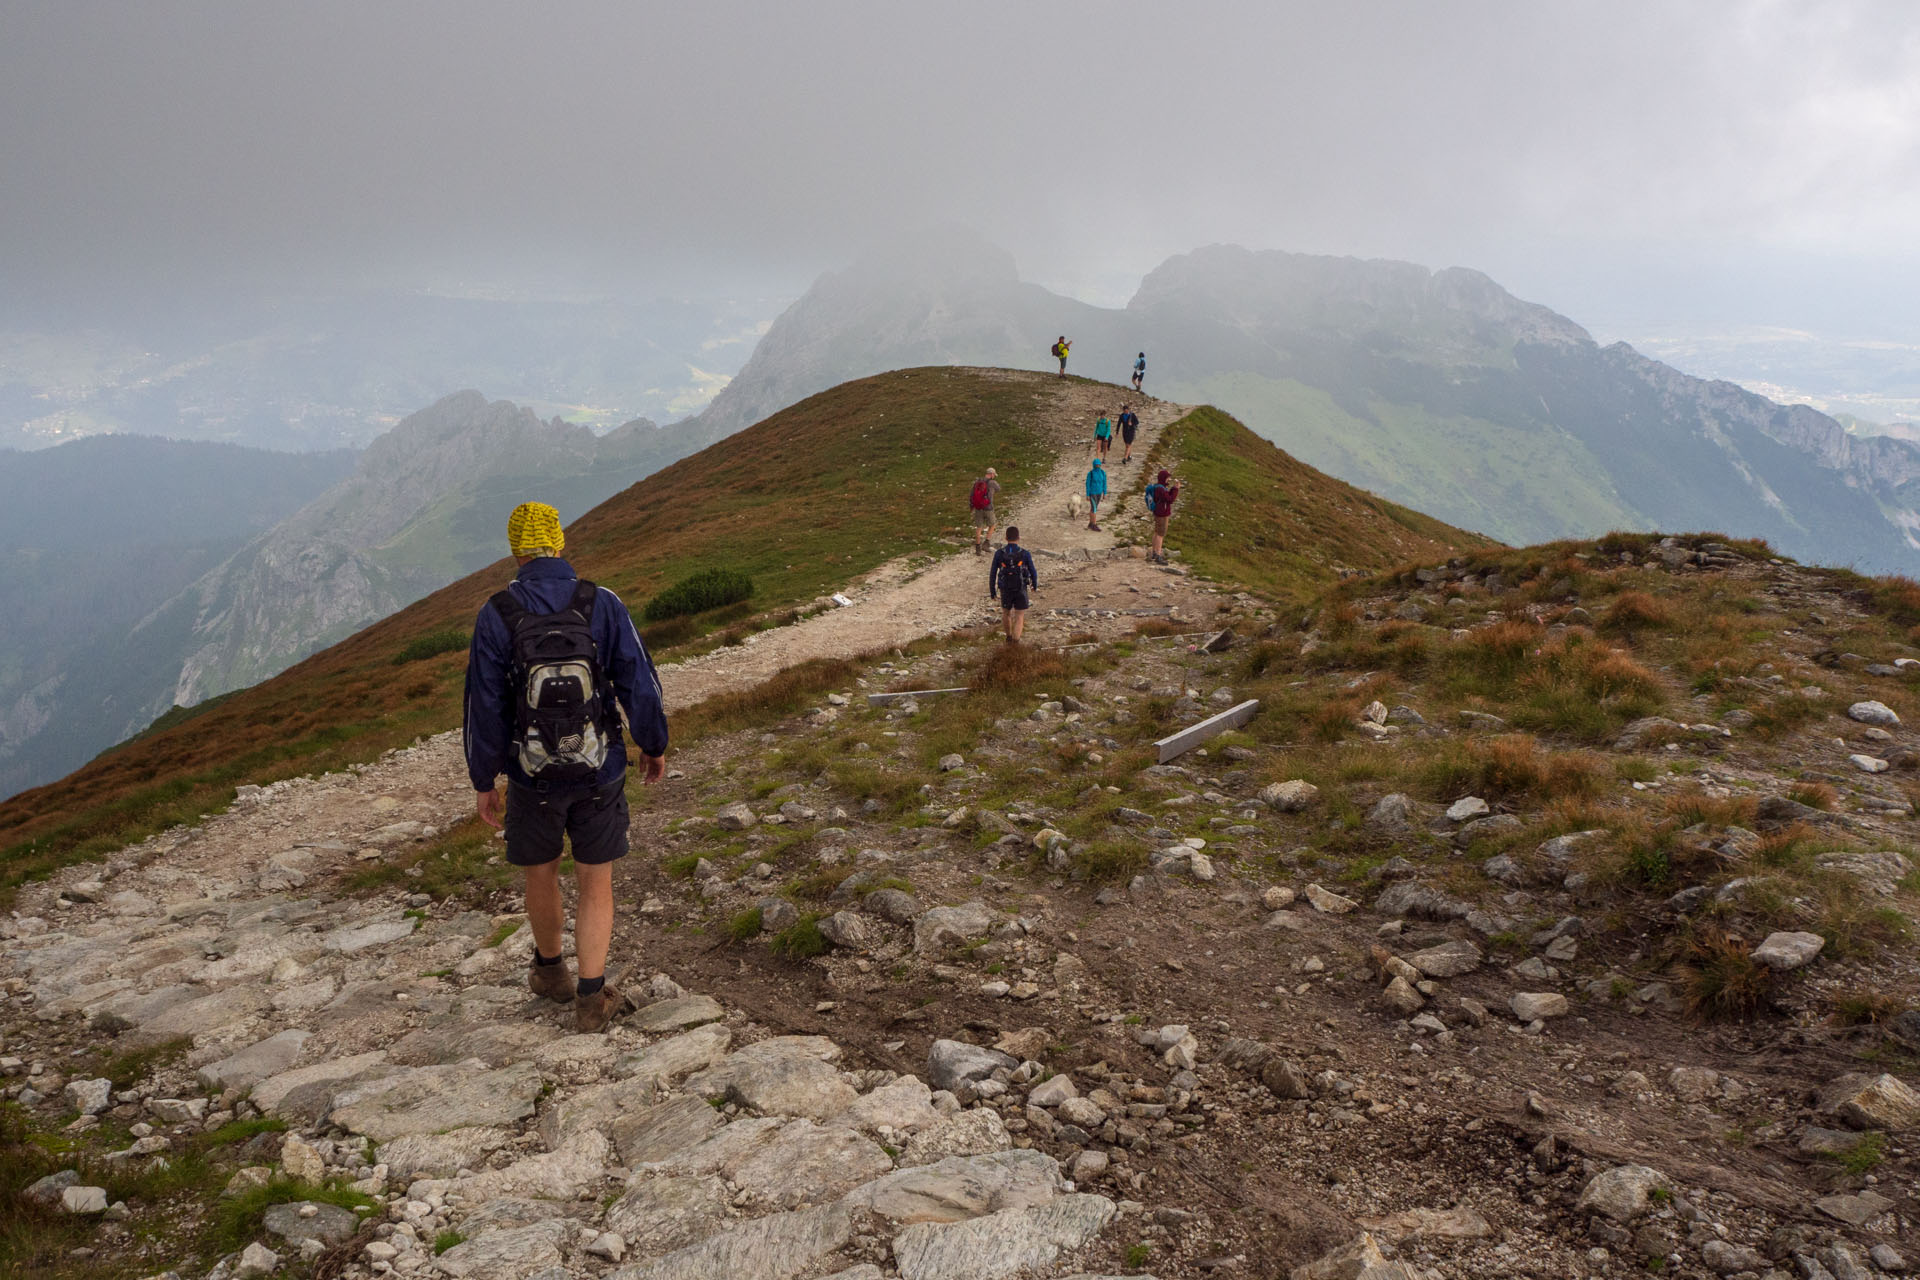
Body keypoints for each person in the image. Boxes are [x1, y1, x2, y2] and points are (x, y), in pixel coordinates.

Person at [463, 501, 668, 1033]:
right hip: (599, 768)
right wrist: (652, 743)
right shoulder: (600, 602)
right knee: (596, 882)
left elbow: (484, 705)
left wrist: (484, 779)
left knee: (542, 871)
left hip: (532, 775)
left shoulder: (495, 613)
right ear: (560, 543)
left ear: (515, 551)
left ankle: (551, 972)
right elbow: (637, 681)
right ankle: (592, 998)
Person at [988, 525, 1039, 643]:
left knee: (1006, 613)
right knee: (1019, 615)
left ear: (1006, 538)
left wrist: (992, 591)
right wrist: (1034, 585)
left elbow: (993, 573)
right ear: (1019, 538)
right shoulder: (1025, 554)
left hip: (1005, 588)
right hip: (1020, 587)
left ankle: (1008, 637)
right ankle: (1015, 643)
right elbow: (1033, 571)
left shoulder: (999, 553)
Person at [1143, 469, 1181, 564]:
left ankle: (1154, 553)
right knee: (1161, 534)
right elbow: (1170, 499)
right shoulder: (1161, 488)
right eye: (1167, 477)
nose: (1169, 479)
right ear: (1164, 478)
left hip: (1158, 512)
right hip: (1162, 514)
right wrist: (1176, 489)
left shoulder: (1158, 487)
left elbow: (1167, 497)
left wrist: (1173, 489)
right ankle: (1158, 555)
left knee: (1156, 532)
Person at [969, 467, 1001, 555]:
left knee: (979, 527)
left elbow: (971, 495)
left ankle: (978, 548)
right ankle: (986, 543)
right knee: (993, 524)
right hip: (988, 508)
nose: (994, 476)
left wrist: (972, 506)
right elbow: (999, 489)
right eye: (994, 475)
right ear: (991, 474)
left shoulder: (977, 482)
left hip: (978, 508)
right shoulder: (992, 482)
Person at [1084, 456, 1108, 531]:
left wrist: (1105, 493)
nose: (1097, 466)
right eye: (1096, 465)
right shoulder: (1090, 473)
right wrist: (1087, 494)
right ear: (1094, 465)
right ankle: (1094, 524)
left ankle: (1091, 523)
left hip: (1099, 493)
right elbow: (1087, 484)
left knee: (1094, 508)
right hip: (1092, 493)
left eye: (1099, 465)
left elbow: (1104, 483)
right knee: (1094, 508)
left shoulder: (1102, 473)